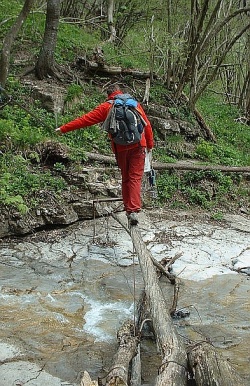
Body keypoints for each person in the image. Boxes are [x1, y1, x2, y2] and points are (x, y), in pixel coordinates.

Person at [55, 83, 154, 225]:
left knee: (126, 177)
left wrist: (63, 129)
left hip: (120, 148)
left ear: (108, 95)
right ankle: (132, 210)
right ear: (120, 92)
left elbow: (85, 120)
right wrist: (150, 145)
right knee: (135, 178)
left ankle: (129, 208)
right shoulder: (134, 104)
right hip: (138, 145)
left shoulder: (106, 107)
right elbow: (147, 125)